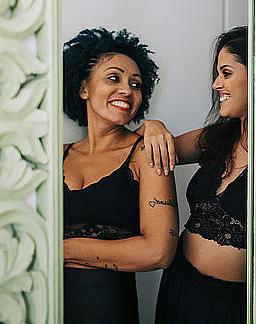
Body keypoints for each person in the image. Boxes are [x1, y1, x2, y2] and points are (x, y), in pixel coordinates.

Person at [62, 28, 179, 323]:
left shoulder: (147, 154)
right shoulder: (53, 154)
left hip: (110, 309)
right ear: (83, 88)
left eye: (136, 84)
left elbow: (158, 253)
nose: (127, 90)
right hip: (42, 302)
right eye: (114, 78)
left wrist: (58, 249)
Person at [147, 26, 248, 323]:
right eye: (217, 74)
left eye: (226, 73)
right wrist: (152, 125)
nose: (217, 84)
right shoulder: (216, 138)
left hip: (234, 304)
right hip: (179, 284)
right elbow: (157, 150)